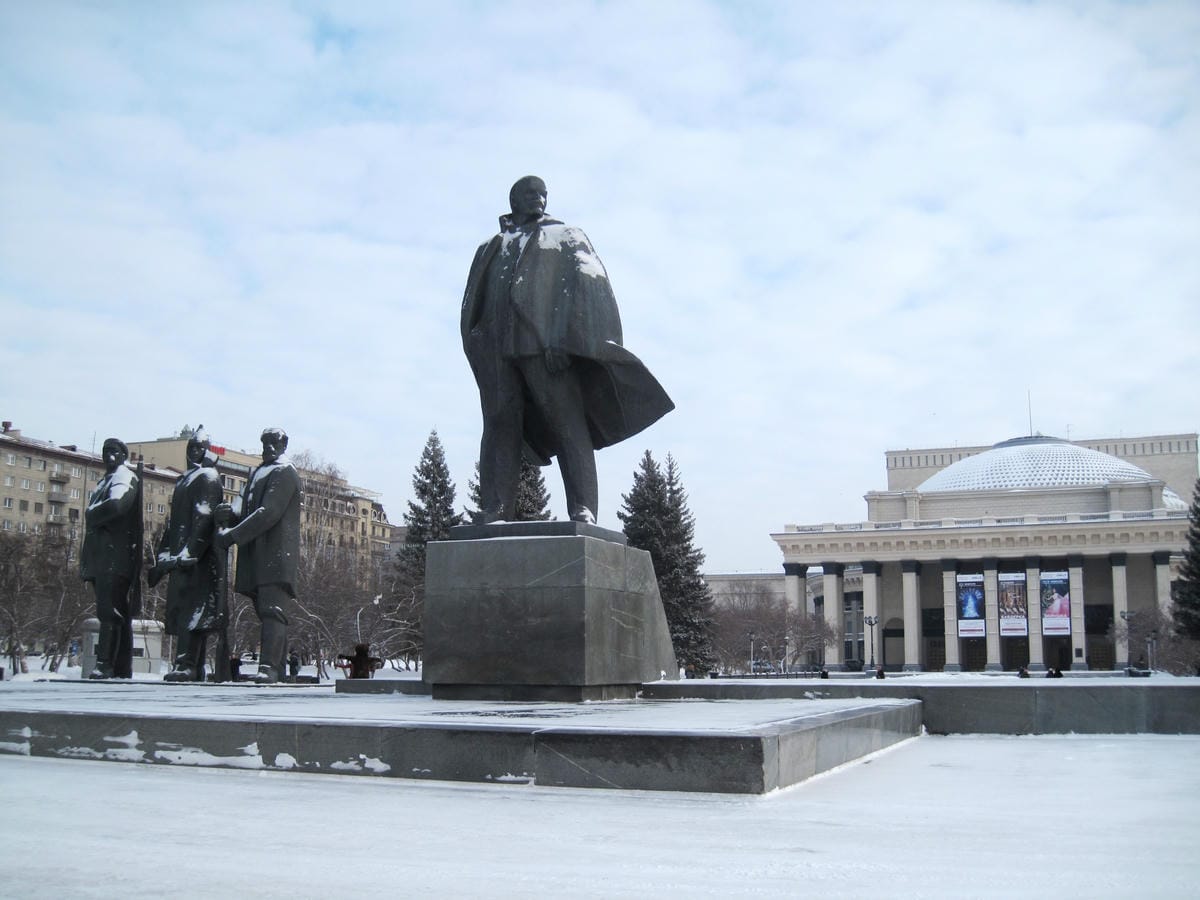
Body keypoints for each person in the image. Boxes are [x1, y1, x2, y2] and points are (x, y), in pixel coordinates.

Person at [461, 176, 674, 524]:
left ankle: (582, 507)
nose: (539, 199)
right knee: (499, 425)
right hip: (496, 350)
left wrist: (568, 338)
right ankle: (496, 507)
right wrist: (477, 342)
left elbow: (589, 286)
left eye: (543, 194)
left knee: (567, 423)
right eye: (530, 193)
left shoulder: (565, 236)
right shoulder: (490, 246)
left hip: (543, 346)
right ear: (514, 200)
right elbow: (472, 301)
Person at [216, 427, 302, 684]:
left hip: (276, 556)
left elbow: (269, 512)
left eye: (274, 442)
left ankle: (269, 667)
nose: (269, 448)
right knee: (266, 612)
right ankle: (277, 668)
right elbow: (242, 506)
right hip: (255, 556)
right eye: (265, 443)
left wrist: (232, 535)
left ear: (284, 444)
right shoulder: (257, 473)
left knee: (273, 611)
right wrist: (228, 513)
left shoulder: (285, 472)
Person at [150, 427, 226, 682]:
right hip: (180, 557)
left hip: (196, 560)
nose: (193, 452)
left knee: (193, 612)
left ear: (206, 451)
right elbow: (173, 523)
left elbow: (205, 517)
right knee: (186, 609)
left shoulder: (207, 477)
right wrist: (164, 554)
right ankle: (192, 665)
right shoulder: (185, 479)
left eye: (198, 448)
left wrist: (189, 552)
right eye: (190, 448)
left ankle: (187, 664)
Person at [80, 438, 142, 679]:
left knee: (110, 612)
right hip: (101, 557)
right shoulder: (105, 480)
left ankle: (105, 664)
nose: (109, 455)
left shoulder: (124, 476)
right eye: (106, 451)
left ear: (124, 455)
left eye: (114, 451)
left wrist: (90, 513)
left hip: (114, 557)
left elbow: (117, 505)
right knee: (113, 611)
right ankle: (118, 666)